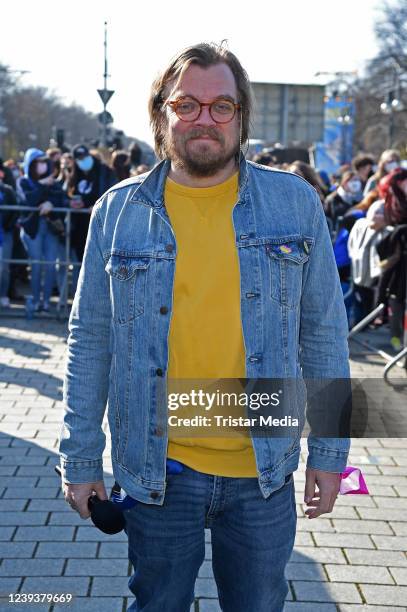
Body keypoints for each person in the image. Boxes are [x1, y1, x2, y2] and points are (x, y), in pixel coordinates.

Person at [59, 42, 351, 612]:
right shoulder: (117, 212)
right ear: (161, 114)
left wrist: (329, 453)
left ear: (241, 117)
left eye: (221, 106)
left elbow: (323, 333)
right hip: (156, 468)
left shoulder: (293, 205)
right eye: (186, 104)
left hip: (262, 473)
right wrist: (81, 457)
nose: (204, 119)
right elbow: (89, 339)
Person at [17, 148, 68, 312]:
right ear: (30, 164)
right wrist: (42, 185)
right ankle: (35, 299)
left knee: (51, 265)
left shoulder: (53, 181)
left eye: (43, 162)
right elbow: (29, 200)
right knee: (36, 265)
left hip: (51, 229)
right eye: (37, 162)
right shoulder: (23, 181)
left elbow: (61, 199)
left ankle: (46, 301)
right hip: (32, 229)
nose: (42, 165)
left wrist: (50, 204)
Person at [67, 144, 115, 291]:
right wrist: (71, 202)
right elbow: (66, 194)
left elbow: (113, 194)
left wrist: (96, 207)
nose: (83, 161)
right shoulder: (75, 174)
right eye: (79, 158)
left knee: (98, 265)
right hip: (79, 227)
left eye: (84, 157)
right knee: (79, 263)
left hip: (100, 226)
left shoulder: (104, 172)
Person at [0, 160, 19, 307]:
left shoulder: (8, 190)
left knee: (4, 267)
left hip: (5, 234)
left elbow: (15, 210)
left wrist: (8, 225)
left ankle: (3, 294)